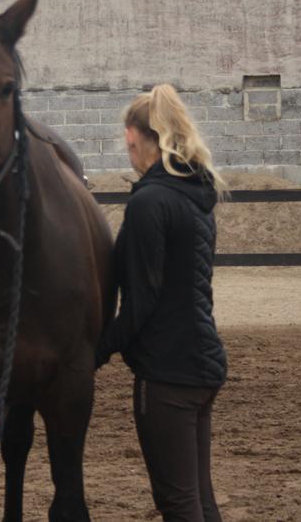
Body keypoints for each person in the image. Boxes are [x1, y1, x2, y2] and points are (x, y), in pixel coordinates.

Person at [95, 84, 228, 522]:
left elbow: (144, 298)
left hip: (168, 374)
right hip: (200, 364)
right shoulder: (195, 198)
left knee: (178, 502)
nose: (126, 149)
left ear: (139, 136)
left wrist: (98, 348)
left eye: (127, 140)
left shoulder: (151, 202)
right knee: (200, 500)